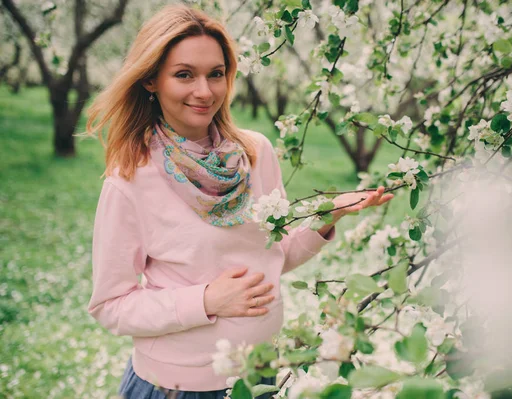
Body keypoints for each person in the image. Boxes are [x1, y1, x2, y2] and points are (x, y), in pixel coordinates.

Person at [85, 4, 393, 399]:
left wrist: (325, 217)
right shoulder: (132, 179)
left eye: (216, 74)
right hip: (179, 389)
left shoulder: (254, 153)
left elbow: (270, 256)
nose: (205, 91)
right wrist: (206, 300)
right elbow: (110, 305)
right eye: (184, 75)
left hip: (259, 377)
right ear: (150, 81)